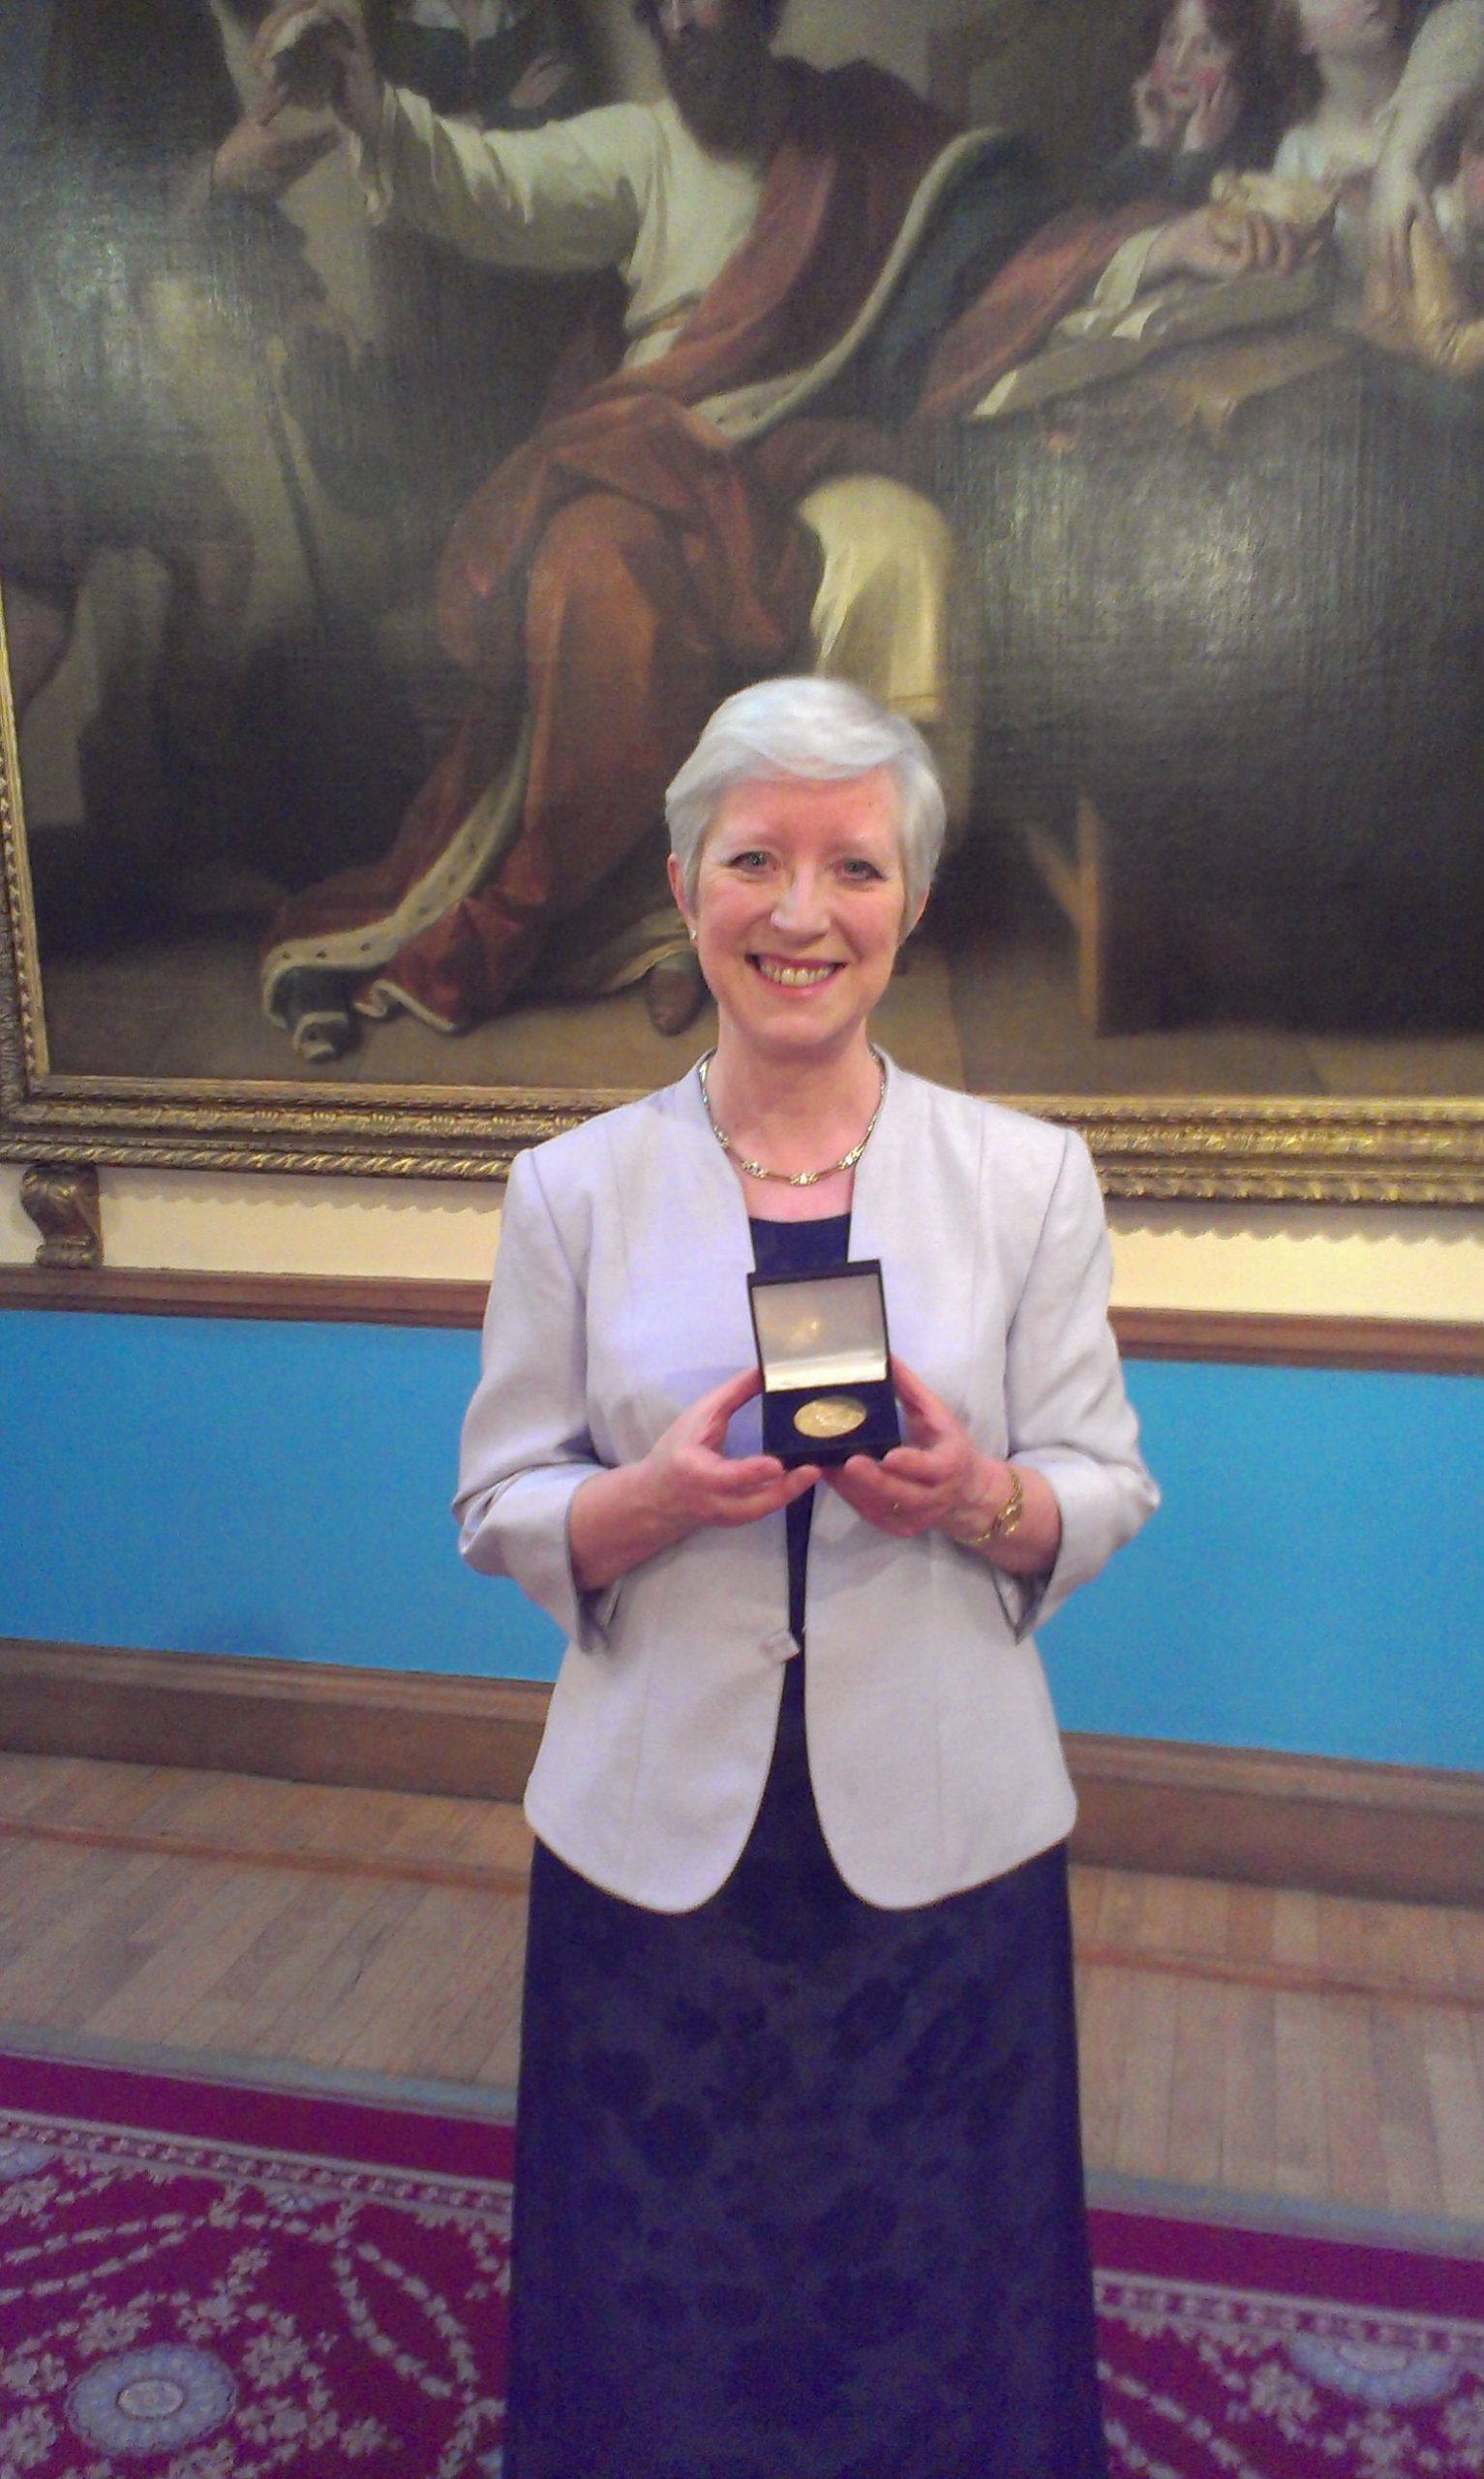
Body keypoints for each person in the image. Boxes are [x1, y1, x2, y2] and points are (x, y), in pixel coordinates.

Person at [454, 674, 1160, 2479]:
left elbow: (1102, 1481)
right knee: (660, 2273)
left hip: (938, 1840)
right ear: (683, 884)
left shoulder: (1023, 1179)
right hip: (653, 1840)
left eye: (850, 865)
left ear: (909, 901)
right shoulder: (570, 1191)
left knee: (934, 2274)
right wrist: (652, 1505)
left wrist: (980, 1496)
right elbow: (500, 1499)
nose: (797, 913)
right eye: (751, 859)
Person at [252, 0, 1049, 1059]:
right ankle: (612, 908)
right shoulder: (642, 149)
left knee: (903, 545)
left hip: (807, 452)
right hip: (661, 451)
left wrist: (1162, 249)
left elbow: (1018, 268)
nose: (679, 24)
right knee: (594, 571)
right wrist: (366, 103)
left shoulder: (864, 139)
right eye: (659, 5)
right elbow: (491, 188)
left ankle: (842, 901)